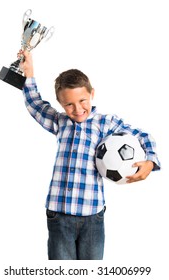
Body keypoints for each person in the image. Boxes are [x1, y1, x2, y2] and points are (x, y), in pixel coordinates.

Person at [20, 50, 160, 260]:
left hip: (93, 216)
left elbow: (142, 135)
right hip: (59, 214)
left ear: (92, 93)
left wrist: (150, 161)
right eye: (69, 104)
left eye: (83, 100)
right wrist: (28, 73)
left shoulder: (105, 122)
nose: (77, 109)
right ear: (60, 103)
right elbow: (35, 103)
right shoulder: (60, 122)